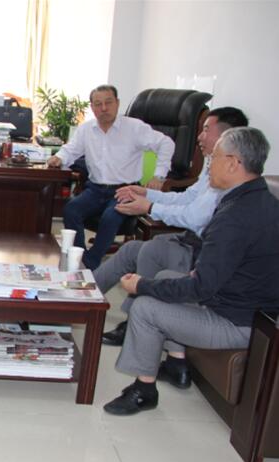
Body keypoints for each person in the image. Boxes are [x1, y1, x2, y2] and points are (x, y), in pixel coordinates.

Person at [103, 126, 279, 415]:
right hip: (247, 308)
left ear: (233, 163)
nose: (209, 165)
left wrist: (141, 285)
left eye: (215, 158)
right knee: (166, 278)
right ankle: (176, 365)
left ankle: (143, 391)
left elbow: (200, 288)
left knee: (145, 308)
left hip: (238, 322)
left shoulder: (235, 217)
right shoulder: (261, 201)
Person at [94, 107, 249, 371]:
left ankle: (134, 323)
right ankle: (82, 300)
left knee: (151, 250)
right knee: (131, 249)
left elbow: (194, 216)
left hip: (199, 252)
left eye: (206, 130)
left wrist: (149, 207)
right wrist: (147, 193)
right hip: (188, 240)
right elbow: (186, 198)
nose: (199, 136)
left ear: (227, 136)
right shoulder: (212, 166)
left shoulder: (229, 178)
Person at [47, 84, 175, 270]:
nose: (104, 108)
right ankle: (80, 255)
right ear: (92, 107)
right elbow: (71, 149)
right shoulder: (86, 130)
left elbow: (166, 143)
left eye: (108, 102)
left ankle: (90, 263)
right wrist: (59, 157)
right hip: (95, 189)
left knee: (110, 217)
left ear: (117, 103)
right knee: (71, 210)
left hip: (126, 190)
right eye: (98, 104)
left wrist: (159, 176)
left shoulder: (134, 127)